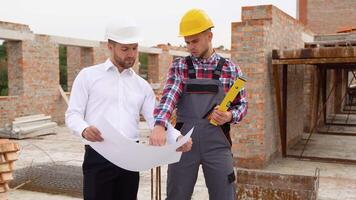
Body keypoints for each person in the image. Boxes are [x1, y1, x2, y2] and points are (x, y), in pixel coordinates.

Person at [65, 18, 192, 200]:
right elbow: (72, 115)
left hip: (131, 159)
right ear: (110, 46)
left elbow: (155, 120)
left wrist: (177, 138)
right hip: (99, 156)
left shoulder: (141, 86)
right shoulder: (88, 76)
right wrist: (84, 130)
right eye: (125, 49)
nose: (131, 54)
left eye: (134, 48)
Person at [150, 9, 248, 200]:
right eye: (187, 42)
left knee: (225, 194)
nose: (190, 47)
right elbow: (168, 98)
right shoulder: (180, 67)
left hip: (218, 144)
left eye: (195, 41)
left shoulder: (230, 69)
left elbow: (242, 105)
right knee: (177, 194)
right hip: (184, 143)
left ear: (209, 36)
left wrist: (229, 116)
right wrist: (160, 125)